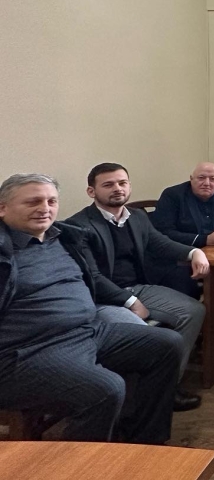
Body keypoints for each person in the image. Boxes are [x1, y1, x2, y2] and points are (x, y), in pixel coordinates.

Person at [0, 173, 182, 443]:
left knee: (167, 344)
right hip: (25, 352)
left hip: (87, 331)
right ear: (2, 208)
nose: (44, 208)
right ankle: (81, 462)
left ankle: (144, 441)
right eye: (33, 202)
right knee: (106, 389)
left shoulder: (62, 237)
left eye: (51, 201)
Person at [67, 163, 209, 412]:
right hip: (103, 298)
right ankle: (140, 399)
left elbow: (161, 244)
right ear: (91, 191)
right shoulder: (78, 226)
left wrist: (194, 252)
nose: (117, 189)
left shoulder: (137, 217)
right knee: (146, 337)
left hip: (138, 288)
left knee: (194, 311)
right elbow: (93, 278)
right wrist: (130, 302)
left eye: (122, 183)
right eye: (108, 184)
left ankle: (166, 387)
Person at [151, 162, 214, 247]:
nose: (207, 183)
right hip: (184, 252)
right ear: (191, 178)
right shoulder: (173, 195)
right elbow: (164, 231)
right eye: (201, 178)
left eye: (212, 179)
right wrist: (204, 240)